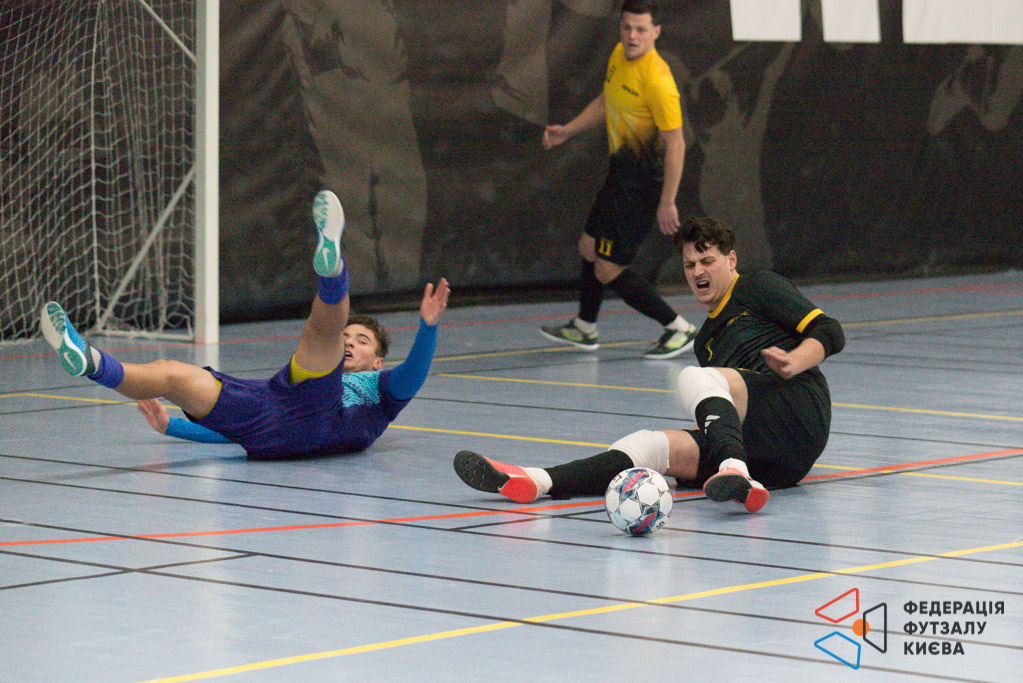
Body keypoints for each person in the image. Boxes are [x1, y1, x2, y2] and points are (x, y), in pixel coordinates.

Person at [454, 216, 845, 512]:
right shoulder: (706, 340)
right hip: (771, 462)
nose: (698, 272)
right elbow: (721, 410)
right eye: (689, 265)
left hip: (799, 410)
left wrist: (794, 361)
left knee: (695, 377)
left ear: (731, 260)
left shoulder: (757, 287)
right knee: (649, 445)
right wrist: (688, 448)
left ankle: (733, 467)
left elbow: (830, 330)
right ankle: (536, 481)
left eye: (707, 260)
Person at [41, 190, 451, 459]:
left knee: (320, 332)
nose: (351, 342)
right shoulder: (310, 382)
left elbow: (413, 376)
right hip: (269, 416)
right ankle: (90, 362)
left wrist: (428, 327)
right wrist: (173, 427)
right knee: (172, 375)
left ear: (377, 361)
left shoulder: (379, 391)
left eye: (361, 341)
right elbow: (234, 433)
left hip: (319, 412)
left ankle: (333, 270)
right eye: (350, 336)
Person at [539, 0, 697, 360]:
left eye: (641, 29)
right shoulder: (617, 56)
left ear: (656, 32)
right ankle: (585, 327)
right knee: (589, 247)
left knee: (609, 268)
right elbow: (604, 101)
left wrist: (667, 201)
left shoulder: (657, 80)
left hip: (643, 186)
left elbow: (676, 143)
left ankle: (678, 327)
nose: (632, 36)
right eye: (627, 27)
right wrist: (567, 131)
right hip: (620, 175)